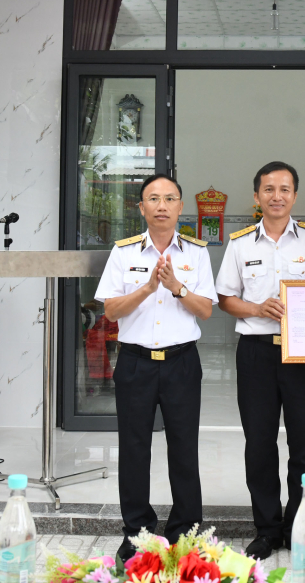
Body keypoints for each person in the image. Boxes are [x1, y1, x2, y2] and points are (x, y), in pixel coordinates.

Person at [93, 174, 218, 561]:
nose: (161, 205)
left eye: (169, 198)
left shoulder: (196, 253)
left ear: (181, 207)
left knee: (184, 449)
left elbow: (206, 310)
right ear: (141, 207)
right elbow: (110, 310)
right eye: (153, 198)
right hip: (135, 363)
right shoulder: (124, 253)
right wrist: (147, 288)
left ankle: (185, 534)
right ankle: (137, 533)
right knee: (134, 450)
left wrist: (177, 286)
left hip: (182, 363)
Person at [216, 161, 305, 559]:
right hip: (256, 353)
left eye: (284, 189)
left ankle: (298, 526)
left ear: (295, 196)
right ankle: (266, 529)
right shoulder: (240, 243)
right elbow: (225, 298)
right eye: (269, 189)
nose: (277, 196)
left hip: (303, 355)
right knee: (259, 443)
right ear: (256, 196)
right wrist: (256, 308)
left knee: (304, 445)